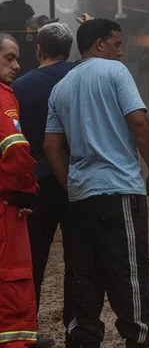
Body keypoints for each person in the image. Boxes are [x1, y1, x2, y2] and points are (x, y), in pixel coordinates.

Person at [44, 19, 149, 348]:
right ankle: (137, 339)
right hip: (119, 192)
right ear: (100, 44)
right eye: (117, 43)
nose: (121, 51)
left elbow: (52, 148)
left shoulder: (62, 87)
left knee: (84, 274)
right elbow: (139, 122)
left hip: (81, 196)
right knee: (130, 272)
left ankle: (83, 339)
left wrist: (73, 185)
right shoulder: (115, 72)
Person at [11, 23, 77, 348]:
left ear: (38, 48)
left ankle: (28, 333)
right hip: (77, 182)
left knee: (31, 264)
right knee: (78, 263)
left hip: (35, 186)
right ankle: (76, 334)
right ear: (70, 51)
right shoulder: (80, 77)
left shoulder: (20, 88)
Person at [0, 32, 39, 347]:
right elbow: (15, 148)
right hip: (5, 206)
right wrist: (28, 189)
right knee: (13, 280)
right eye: (8, 58)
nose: (17, 65)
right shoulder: (3, 96)